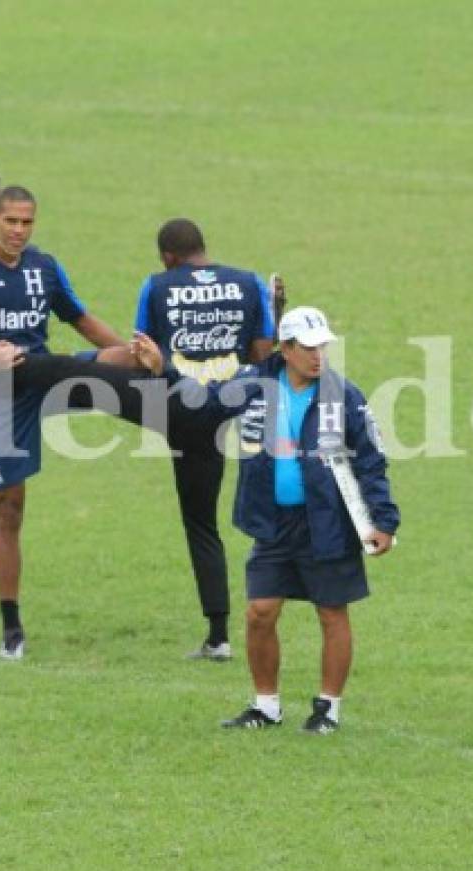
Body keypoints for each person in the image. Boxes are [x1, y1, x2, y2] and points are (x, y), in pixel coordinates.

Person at [131, 306, 399, 733]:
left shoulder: (344, 395)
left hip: (326, 521)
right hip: (272, 521)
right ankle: (266, 706)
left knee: (331, 613)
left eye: (322, 347)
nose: (318, 356)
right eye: (309, 348)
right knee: (260, 611)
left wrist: (384, 519)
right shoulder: (252, 383)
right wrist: (165, 371)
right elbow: (203, 409)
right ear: (287, 349)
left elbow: (371, 459)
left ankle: (328, 708)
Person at [0, 185, 125, 660]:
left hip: (48, 377)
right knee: (11, 507)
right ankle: (12, 628)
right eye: (11, 222)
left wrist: (131, 347)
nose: (20, 231)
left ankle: (176, 381)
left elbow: (80, 320)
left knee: (132, 370)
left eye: (28, 222)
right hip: (0, 395)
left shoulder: (44, 266)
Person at [133, 218, 279, 660]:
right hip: (245, 398)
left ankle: (219, 637)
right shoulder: (248, 281)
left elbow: (145, 353)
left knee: (201, 522)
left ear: (167, 257)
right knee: (269, 509)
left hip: (189, 410)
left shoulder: (156, 286)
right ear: (203, 248)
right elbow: (262, 353)